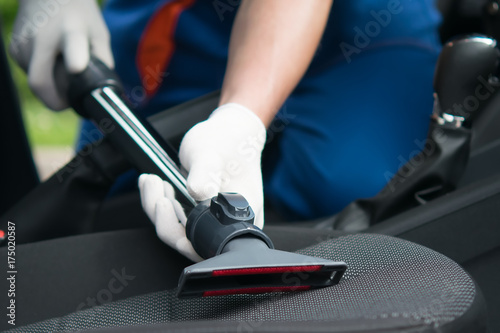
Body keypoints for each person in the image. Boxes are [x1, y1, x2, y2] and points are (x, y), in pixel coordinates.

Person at [10, 0, 442, 261]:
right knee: (110, 195)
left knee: (350, 188)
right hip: (178, 19)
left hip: (363, 29)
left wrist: (242, 119)